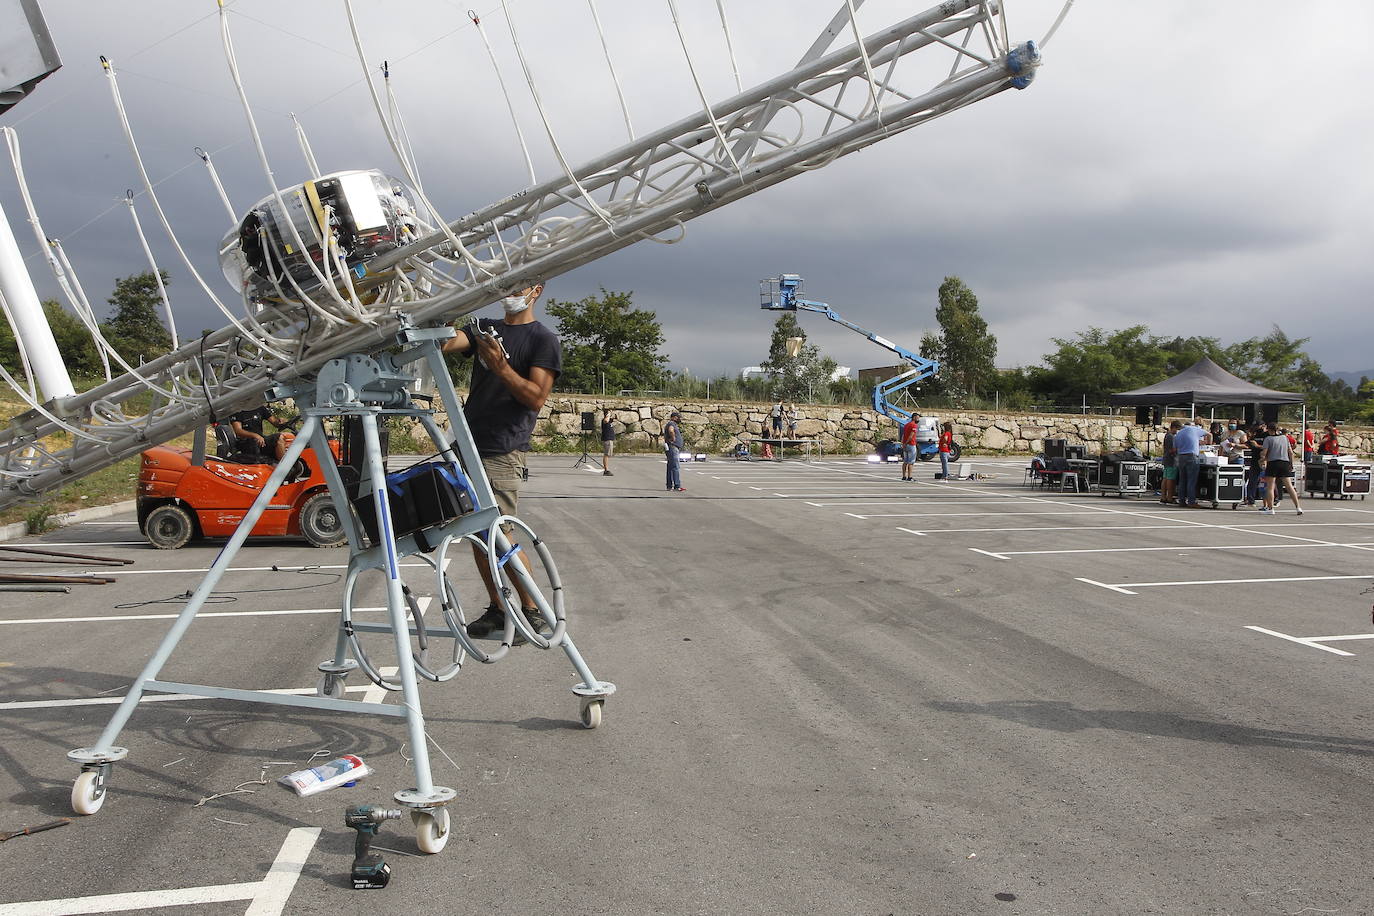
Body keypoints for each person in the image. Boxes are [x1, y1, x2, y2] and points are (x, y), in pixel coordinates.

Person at [440, 283, 561, 641]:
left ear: (535, 290)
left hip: (503, 449)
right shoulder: (484, 328)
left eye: (518, 286)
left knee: (501, 536)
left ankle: (532, 609)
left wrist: (502, 368)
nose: (509, 291)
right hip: (468, 444)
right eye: (505, 284)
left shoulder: (543, 340)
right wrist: (439, 312)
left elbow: (536, 398)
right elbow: (446, 342)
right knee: (480, 534)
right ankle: (498, 607)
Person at [1259, 422, 1303, 516]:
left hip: (1273, 463)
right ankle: (1298, 507)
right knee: (1289, 486)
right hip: (1284, 462)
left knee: (1270, 486)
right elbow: (1290, 452)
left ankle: (1270, 508)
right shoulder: (1284, 438)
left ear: (1269, 430)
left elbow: (1264, 453)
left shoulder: (1268, 439)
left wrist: (1262, 459)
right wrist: (1291, 464)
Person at [230, 402, 294, 462]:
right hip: (246, 441)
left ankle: (282, 462)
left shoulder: (260, 408)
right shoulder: (237, 411)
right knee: (278, 438)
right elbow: (238, 430)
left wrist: (280, 421)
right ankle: (284, 466)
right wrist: (255, 435)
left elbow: (274, 422)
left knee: (286, 439)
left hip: (261, 440)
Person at [1172, 416, 1209, 507]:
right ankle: (1191, 501)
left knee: (1182, 480)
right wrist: (1208, 443)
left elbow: (1174, 449)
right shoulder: (1194, 429)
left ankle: (1181, 500)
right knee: (1191, 480)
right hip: (1192, 456)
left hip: (1181, 457)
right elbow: (1209, 434)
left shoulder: (1178, 434)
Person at [663, 410, 685, 491]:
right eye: (677, 417)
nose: (679, 419)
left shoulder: (672, 424)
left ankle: (669, 485)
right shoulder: (671, 424)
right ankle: (677, 485)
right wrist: (673, 438)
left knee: (670, 467)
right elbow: (671, 430)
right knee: (675, 466)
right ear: (673, 417)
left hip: (671, 447)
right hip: (673, 447)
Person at [1160, 420, 1181, 504]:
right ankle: (1169, 497)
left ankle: (1163, 496)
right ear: (1174, 428)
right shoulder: (1171, 436)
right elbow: (1172, 449)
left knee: (1165, 478)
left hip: (1166, 459)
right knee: (1170, 479)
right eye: (1178, 429)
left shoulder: (1167, 435)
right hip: (1172, 460)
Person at [900, 413, 920, 482]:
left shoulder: (906, 425)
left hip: (905, 445)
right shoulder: (913, 425)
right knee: (911, 462)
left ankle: (903, 476)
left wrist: (903, 443)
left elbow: (903, 435)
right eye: (917, 418)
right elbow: (911, 436)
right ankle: (910, 477)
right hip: (911, 445)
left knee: (905, 461)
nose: (918, 419)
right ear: (914, 417)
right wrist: (906, 442)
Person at [600, 409, 617, 476]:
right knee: (606, 455)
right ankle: (606, 470)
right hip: (607, 439)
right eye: (609, 413)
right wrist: (608, 414)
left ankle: (606, 468)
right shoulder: (604, 420)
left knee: (607, 454)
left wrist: (611, 413)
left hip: (609, 439)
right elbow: (606, 420)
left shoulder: (609, 420)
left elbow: (615, 418)